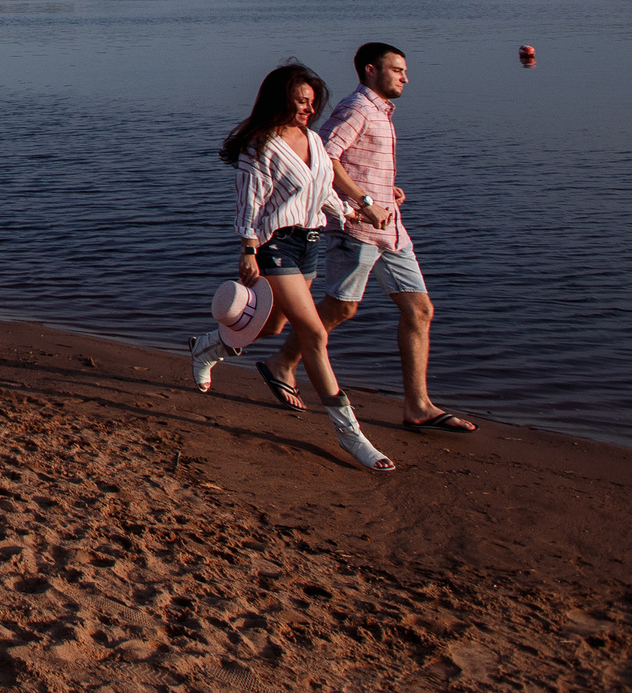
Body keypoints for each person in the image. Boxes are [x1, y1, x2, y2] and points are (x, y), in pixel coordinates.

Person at [188, 60, 394, 472]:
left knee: (272, 325)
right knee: (314, 332)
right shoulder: (260, 145)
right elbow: (250, 201)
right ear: (281, 99)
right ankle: (350, 435)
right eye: (300, 101)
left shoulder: (313, 140)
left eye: (312, 102)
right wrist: (248, 247)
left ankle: (207, 346)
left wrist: (350, 212)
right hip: (275, 244)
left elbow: (321, 187)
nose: (307, 109)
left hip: (310, 242)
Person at [291, 42, 476, 433]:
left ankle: (418, 406)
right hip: (357, 228)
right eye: (397, 70)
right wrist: (364, 198)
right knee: (341, 309)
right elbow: (324, 156)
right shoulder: (358, 108)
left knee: (420, 310)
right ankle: (282, 362)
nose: (405, 78)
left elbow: (356, 161)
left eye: (405, 71)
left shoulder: (379, 112)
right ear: (371, 71)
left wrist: (385, 188)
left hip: (391, 229)